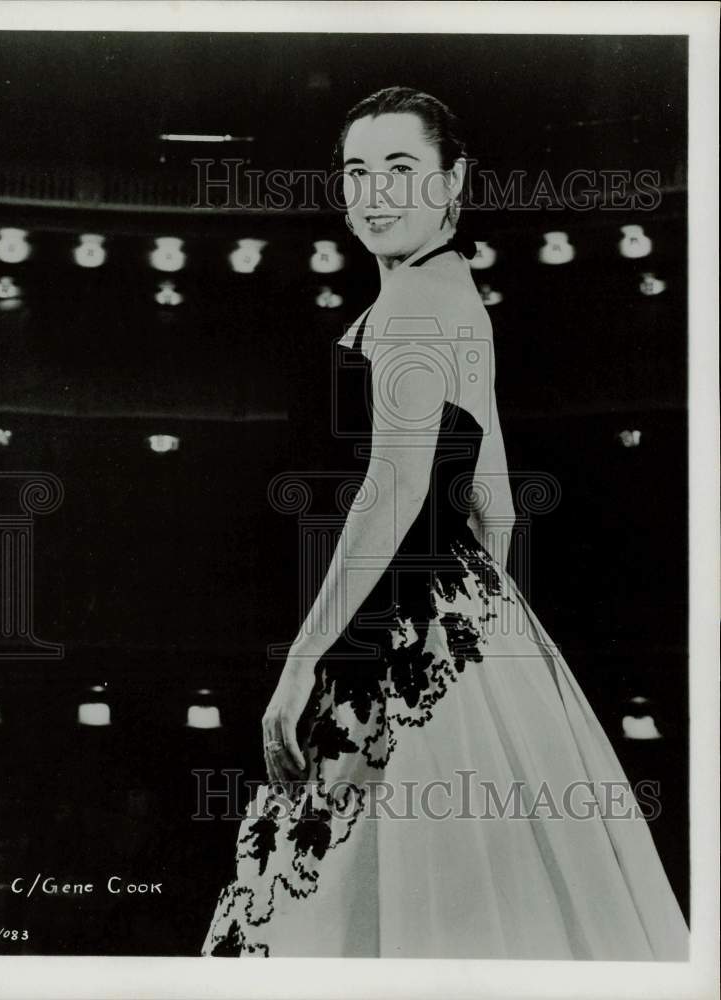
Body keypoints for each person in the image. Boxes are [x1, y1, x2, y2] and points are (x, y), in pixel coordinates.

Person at [201, 87, 690, 959]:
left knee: (332, 905)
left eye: (400, 169)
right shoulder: (453, 285)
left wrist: (305, 658)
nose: (375, 193)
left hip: (394, 634)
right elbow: (490, 496)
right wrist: (487, 637)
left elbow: (392, 489)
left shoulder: (410, 304)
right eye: (357, 171)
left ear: (451, 179)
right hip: (456, 627)